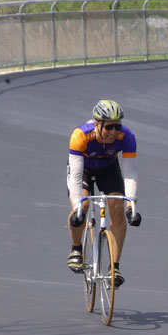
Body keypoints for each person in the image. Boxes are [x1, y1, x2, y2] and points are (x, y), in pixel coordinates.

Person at [66, 100, 141, 288]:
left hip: (108, 168)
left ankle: (114, 267)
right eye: (109, 127)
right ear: (97, 124)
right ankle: (76, 249)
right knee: (82, 206)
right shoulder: (80, 135)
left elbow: (130, 173)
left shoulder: (127, 137)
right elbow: (75, 177)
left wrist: (131, 205)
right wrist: (77, 209)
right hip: (83, 169)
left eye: (117, 127)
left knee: (117, 206)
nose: (114, 133)